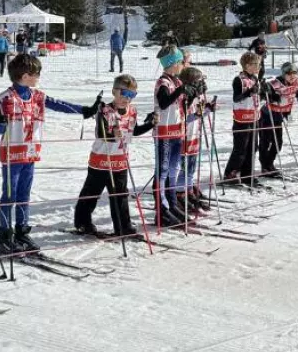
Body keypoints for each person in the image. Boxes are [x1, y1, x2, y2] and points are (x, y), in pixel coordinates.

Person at [0, 53, 99, 253]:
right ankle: (5, 234)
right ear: (25, 76)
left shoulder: (38, 96)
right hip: (11, 155)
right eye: (36, 73)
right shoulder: (4, 98)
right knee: (9, 195)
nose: (38, 77)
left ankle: (22, 231)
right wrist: (0, 120)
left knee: (24, 194)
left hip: (30, 153)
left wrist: (85, 110)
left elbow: (60, 104)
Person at [74, 75, 155, 237]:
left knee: (121, 196)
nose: (126, 98)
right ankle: (82, 222)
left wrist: (151, 124)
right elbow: (100, 132)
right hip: (101, 161)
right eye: (123, 93)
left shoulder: (132, 111)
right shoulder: (105, 110)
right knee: (91, 193)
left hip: (120, 161)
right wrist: (112, 133)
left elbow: (134, 131)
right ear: (114, 91)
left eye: (131, 95)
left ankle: (123, 226)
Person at [153, 45, 189, 224]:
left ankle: (172, 203)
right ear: (173, 64)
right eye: (180, 62)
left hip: (177, 130)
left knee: (173, 169)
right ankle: (161, 209)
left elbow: (181, 104)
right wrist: (180, 92)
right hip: (164, 132)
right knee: (163, 171)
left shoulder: (177, 81)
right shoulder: (163, 83)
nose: (183, 65)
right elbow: (164, 102)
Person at [224, 51, 266, 187]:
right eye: (255, 64)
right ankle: (230, 173)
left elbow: (257, 97)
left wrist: (264, 92)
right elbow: (236, 98)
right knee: (240, 148)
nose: (258, 67)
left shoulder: (255, 79)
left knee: (253, 147)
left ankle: (247, 175)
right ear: (247, 65)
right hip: (241, 119)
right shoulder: (239, 79)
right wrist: (249, 92)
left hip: (254, 117)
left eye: (258, 64)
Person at [176, 66, 214, 216]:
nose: (201, 84)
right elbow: (184, 118)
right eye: (198, 81)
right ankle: (180, 194)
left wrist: (208, 109)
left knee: (192, 167)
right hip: (183, 136)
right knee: (184, 168)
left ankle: (189, 191)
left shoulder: (198, 96)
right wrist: (199, 114)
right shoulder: (184, 97)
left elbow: (198, 114)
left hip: (194, 136)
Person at [259, 62, 298, 177]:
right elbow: (262, 94)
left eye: (294, 73)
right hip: (267, 116)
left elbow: (290, 95)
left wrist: (295, 93)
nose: (292, 76)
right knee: (265, 142)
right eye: (288, 73)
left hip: (279, 116)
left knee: (278, 143)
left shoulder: (295, 83)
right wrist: (271, 96)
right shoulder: (275, 82)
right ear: (283, 74)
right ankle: (265, 166)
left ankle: (269, 163)